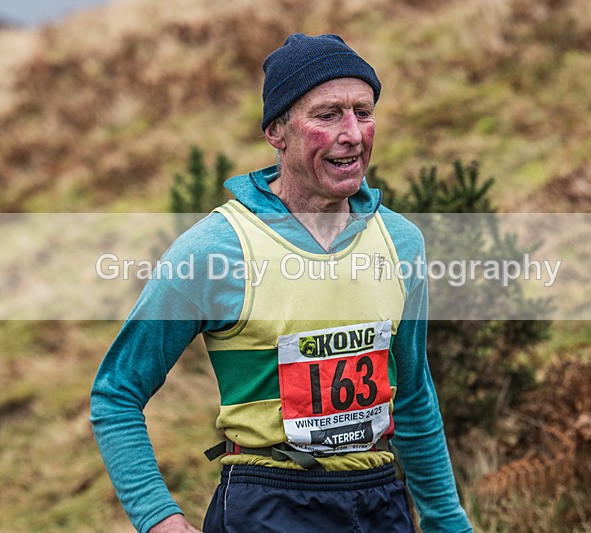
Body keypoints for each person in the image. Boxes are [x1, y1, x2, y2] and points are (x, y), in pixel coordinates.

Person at [90, 33, 474, 533]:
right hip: (267, 503)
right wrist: (159, 519)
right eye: (328, 114)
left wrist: (448, 521)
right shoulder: (214, 250)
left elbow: (414, 395)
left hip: (381, 499)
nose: (353, 133)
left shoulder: (401, 243)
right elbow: (116, 393)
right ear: (277, 131)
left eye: (364, 111)